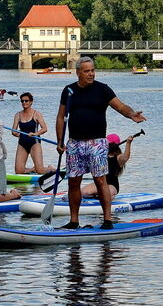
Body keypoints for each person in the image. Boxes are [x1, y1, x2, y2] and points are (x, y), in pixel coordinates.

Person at [55, 56, 146, 229]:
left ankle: (107, 220)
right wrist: (60, 141)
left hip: (96, 143)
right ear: (78, 73)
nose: (91, 74)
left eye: (92, 70)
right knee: (73, 182)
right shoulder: (69, 91)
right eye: (87, 71)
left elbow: (120, 106)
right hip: (74, 143)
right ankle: (74, 221)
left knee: (100, 181)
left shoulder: (102, 90)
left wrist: (132, 114)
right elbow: (61, 117)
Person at [79, 133, 137, 201]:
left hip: (112, 185)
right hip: (100, 183)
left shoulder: (118, 158)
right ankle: (96, 195)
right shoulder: (101, 156)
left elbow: (125, 157)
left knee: (105, 194)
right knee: (83, 192)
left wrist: (128, 143)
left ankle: (107, 196)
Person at [11, 92, 55, 175]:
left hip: (34, 142)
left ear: (31, 102)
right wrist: (20, 134)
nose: (24, 103)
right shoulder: (18, 115)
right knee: (19, 171)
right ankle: (32, 169)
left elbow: (44, 128)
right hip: (22, 143)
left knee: (40, 171)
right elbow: (13, 131)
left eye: (26, 101)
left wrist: (35, 134)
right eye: (22, 101)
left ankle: (50, 169)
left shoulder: (36, 114)